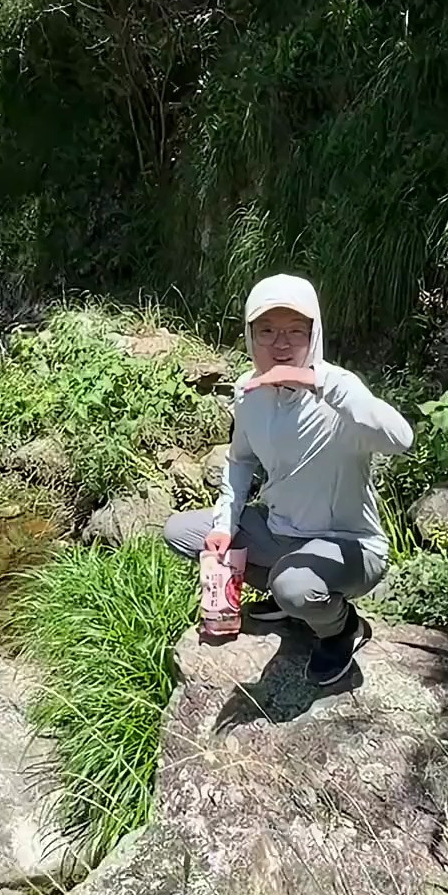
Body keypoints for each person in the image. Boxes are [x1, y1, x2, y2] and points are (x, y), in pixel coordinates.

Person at [163, 273, 413, 685]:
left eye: (296, 332)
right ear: (249, 336)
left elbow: (401, 438)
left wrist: (316, 381)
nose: (281, 344)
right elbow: (240, 461)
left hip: (349, 545)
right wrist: (225, 525)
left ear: (314, 335)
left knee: (293, 585)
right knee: (183, 532)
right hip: (281, 533)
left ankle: (341, 627)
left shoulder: (339, 390)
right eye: (267, 332)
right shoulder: (249, 392)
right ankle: (290, 601)